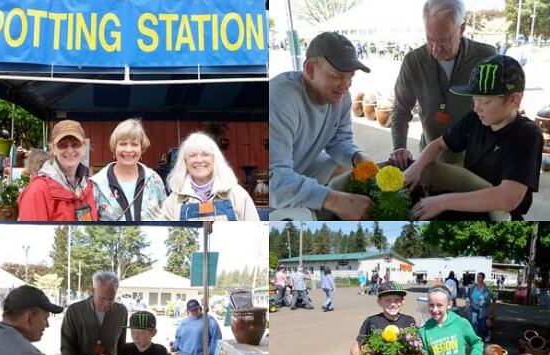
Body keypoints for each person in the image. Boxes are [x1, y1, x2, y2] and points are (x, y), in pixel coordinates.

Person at [403, 55, 542, 220]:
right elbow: (438, 145)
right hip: (467, 195)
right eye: (474, 99)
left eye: (485, 101)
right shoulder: (475, 119)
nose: (477, 108)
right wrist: (416, 167)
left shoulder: (527, 135)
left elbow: (508, 198)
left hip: (500, 213)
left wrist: (442, 202)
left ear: (514, 100)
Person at [270, 31, 375, 220]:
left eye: (350, 77)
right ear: (309, 69)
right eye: (336, 75)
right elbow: (271, 179)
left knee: (349, 170)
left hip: (303, 165)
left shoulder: (342, 97)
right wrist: (334, 200)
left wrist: (358, 157)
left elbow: (339, 140)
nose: (345, 85)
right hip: (267, 181)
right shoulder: (280, 99)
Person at [390, 0, 496, 169]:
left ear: (462, 29)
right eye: (430, 39)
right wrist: (399, 147)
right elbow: (401, 110)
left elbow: (500, 110)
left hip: (476, 158)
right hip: (430, 158)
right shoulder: (413, 61)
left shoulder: (486, 57)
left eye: (444, 40)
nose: (436, 49)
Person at [158, 132, 259, 220]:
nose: (199, 160)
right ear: (185, 161)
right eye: (193, 155)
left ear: (215, 159)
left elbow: (256, 233)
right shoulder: (172, 202)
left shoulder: (238, 195)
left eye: (205, 154)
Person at [18, 120, 97, 221]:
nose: (69, 150)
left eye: (75, 144)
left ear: (84, 147)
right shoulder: (38, 190)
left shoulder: (89, 185)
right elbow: (32, 235)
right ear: (53, 149)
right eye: (62, 145)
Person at [91, 119, 167, 221]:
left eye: (134, 144)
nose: (128, 150)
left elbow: (167, 219)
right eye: (123, 144)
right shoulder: (97, 184)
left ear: (141, 148)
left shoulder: (154, 180)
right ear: (114, 147)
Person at [61, 271, 128, 355]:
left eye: (111, 299)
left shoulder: (121, 312)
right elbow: (67, 347)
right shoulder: (74, 311)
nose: (106, 304)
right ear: (93, 291)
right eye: (102, 298)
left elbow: (121, 345)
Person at [467, 272, 492, 342]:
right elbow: (470, 296)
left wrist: (483, 302)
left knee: (483, 325)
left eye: (480, 277)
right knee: (474, 323)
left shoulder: (485, 289)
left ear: (483, 279)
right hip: (473, 308)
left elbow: (488, 301)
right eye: (477, 277)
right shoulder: (474, 287)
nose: (478, 279)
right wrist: (469, 304)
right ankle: (475, 338)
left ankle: (487, 334)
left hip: (482, 310)